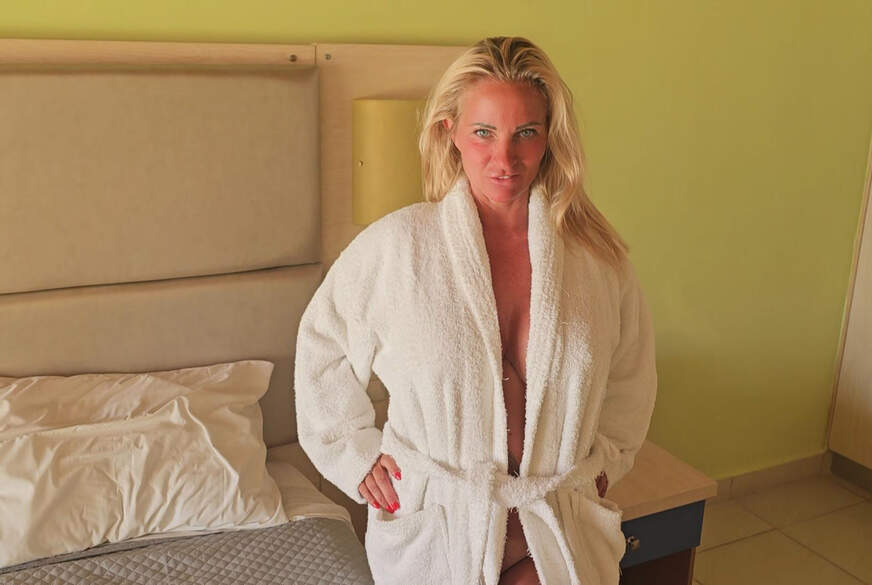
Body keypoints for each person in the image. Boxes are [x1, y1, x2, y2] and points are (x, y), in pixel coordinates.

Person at [295, 36, 657, 585]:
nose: (504, 159)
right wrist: (354, 453)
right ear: (451, 132)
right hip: (440, 531)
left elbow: (631, 375)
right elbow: (323, 345)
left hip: (556, 526)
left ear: (550, 138)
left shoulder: (596, 261)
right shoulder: (397, 248)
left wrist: (607, 457)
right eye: (484, 132)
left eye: (525, 133)